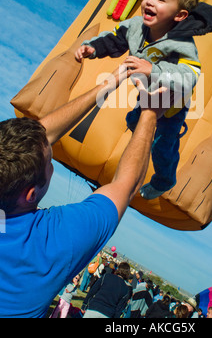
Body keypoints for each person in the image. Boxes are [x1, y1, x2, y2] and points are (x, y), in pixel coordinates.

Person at [0, 65, 170, 318]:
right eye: (50, 163)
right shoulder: (48, 242)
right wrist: (150, 113)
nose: (52, 166)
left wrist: (107, 85)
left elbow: (34, 142)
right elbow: (126, 184)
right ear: (31, 194)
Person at [75, 0, 212, 199]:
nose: (149, 2)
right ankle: (141, 152)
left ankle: (164, 181)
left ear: (180, 15)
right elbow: (114, 38)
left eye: (160, 0)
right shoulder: (136, 26)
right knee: (134, 123)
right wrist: (92, 48)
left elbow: (191, 75)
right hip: (146, 95)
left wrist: (153, 69)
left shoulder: (182, 44)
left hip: (171, 104)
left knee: (163, 147)